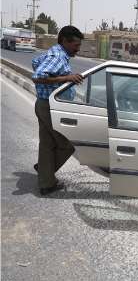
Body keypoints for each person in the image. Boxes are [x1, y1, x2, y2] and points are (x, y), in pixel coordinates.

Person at [31, 25, 84, 195]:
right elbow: (38, 75)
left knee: (47, 144)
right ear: (64, 41)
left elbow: (35, 63)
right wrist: (67, 78)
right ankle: (45, 172)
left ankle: (46, 182)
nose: (78, 48)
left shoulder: (55, 53)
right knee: (66, 144)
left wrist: (60, 79)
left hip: (44, 104)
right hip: (49, 107)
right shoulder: (57, 55)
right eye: (76, 45)